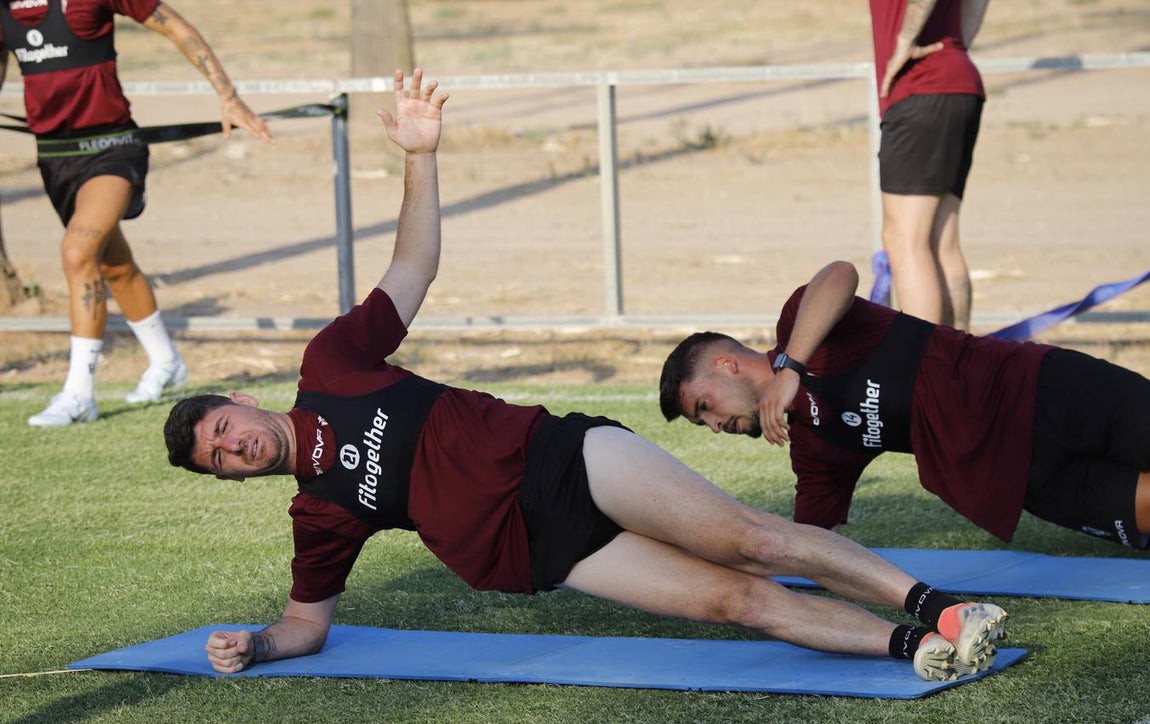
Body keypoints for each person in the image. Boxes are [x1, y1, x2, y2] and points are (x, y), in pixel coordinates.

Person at [163, 71, 1007, 682]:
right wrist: (258, 644)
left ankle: (940, 607)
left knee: (749, 540)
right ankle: (914, 649)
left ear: (240, 402)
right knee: (735, 602)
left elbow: (413, 265)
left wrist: (422, 156)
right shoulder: (320, 515)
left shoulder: (332, 365)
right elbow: (306, 624)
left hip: (565, 459)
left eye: (221, 430)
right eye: (221, 460)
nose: (234, 447)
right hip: (550, 550)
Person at [660, 260, 1150, 552]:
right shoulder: (814, 446)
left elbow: (839, 274)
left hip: (1044, 389)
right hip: (1025, 477)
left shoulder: (803, 327)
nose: (713, 426)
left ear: (726, 365)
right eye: (702, 421)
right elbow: (812, 540)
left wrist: (792, 368)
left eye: (704, 407)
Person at [0, 0, 273, 427]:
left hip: (111, 151)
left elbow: (176, 27)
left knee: (77, 252)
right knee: (113, 265)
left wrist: (229, 96)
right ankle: (167, 360)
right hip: (53, 159)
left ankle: (79, 395)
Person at [869, 0, 990, 330]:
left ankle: (926, 371)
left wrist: (905, 40)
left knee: (904, 239)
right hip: (955, 77)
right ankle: (959, 364)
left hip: (921, 84)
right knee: (941, 241)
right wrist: (956, 47)